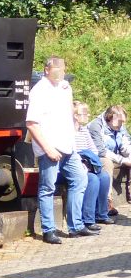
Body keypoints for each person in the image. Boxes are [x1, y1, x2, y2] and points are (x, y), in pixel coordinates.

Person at [25, 57, 86, 243]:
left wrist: (73, 144)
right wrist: (47, 148)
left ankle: (76, 226)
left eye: (63, 69)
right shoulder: (39, 91)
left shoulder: (65, 88)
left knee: (80, 178)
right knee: (47, 188)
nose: (60, 73)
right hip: (50, 147)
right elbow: (31, 123)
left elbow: (68, 117)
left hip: (68, 146)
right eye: (56, 69)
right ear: (46, 70)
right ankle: (48, 230)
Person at [72, 102, 111, 229]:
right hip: (76, 165)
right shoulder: (69, 132)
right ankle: (88, 219)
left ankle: (102, 214)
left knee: (104, 176)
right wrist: (83, 161)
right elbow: (70, 151)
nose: (88, 115)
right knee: (93, 179)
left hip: (88, 163)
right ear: (75, 116)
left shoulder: (84, 130)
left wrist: (89, 160)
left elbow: (94, 150)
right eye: (84, 113)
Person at [89, 105, 131, 214]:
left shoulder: (119, 125)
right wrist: (123, 160)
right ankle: (107, 202)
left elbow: (126, 144)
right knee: (106, 163)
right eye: (120, 122)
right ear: (109, 118)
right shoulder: (96, 126)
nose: (122, 125)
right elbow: (101, 151)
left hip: (115, 155)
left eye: (123, 122)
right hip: (97, 157)